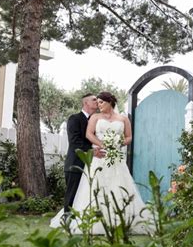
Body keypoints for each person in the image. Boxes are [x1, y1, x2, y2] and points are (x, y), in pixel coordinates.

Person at [51, 92, 151, 234]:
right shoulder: (91, 118)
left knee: (118, 186)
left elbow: (128, 137)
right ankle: (73, 220)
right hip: (94, 158)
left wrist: (117, 143)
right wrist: (102, 145)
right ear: (86, 103)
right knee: (84, 191)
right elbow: (87, 135)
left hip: (115, 158)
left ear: (110, 102)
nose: (98, 105)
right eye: (95, 102)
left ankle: (118, 220)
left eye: (100, 102)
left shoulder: (123, 119)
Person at [62, 93, 99, 215]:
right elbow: (74, 141)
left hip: (93, 165)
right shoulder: (74, 119)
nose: (97, 101)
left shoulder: (97, 121)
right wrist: (92, 151)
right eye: (94, 100)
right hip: (75, 164)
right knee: (72, 195)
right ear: (86, 103)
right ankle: (67, 220)